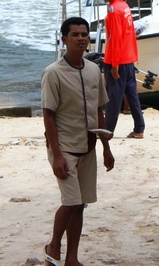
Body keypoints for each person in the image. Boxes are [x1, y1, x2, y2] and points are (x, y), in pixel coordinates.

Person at [42, 17, 115, 266]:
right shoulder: (53, 73)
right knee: (71, 202)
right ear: (64, 39)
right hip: (64, 147)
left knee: (80, 204)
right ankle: (54, 245)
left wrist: (106, 148)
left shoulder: (94, 70)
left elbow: (98, 111)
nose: (81, 38)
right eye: (75, 35)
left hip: (89, 146)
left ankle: (72, 257)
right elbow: (48, 115)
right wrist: (57, 155)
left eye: (84, 34)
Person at [98, 0, 145, 139]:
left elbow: (116, 38)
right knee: (132, 96)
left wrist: (114, 64)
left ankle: (107, 130)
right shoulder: (124, 6)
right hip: (129, 58)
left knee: (113, 97)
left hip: (117, 59)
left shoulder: (113, 10)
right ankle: (139, 128)